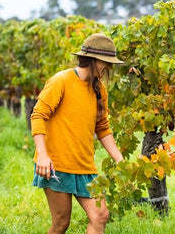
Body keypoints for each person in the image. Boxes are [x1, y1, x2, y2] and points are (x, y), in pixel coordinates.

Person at [31, 33, 124, 234]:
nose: (107, 67)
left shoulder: (100, 90)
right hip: (56, 165)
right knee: (61, 223)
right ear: (92, 60)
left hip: (85, 166)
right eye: (104, 62)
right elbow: (38, 115)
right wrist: (43, 156)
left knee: (100, 216)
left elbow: (102, 128)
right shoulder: (61, 80)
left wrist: (119, 159)